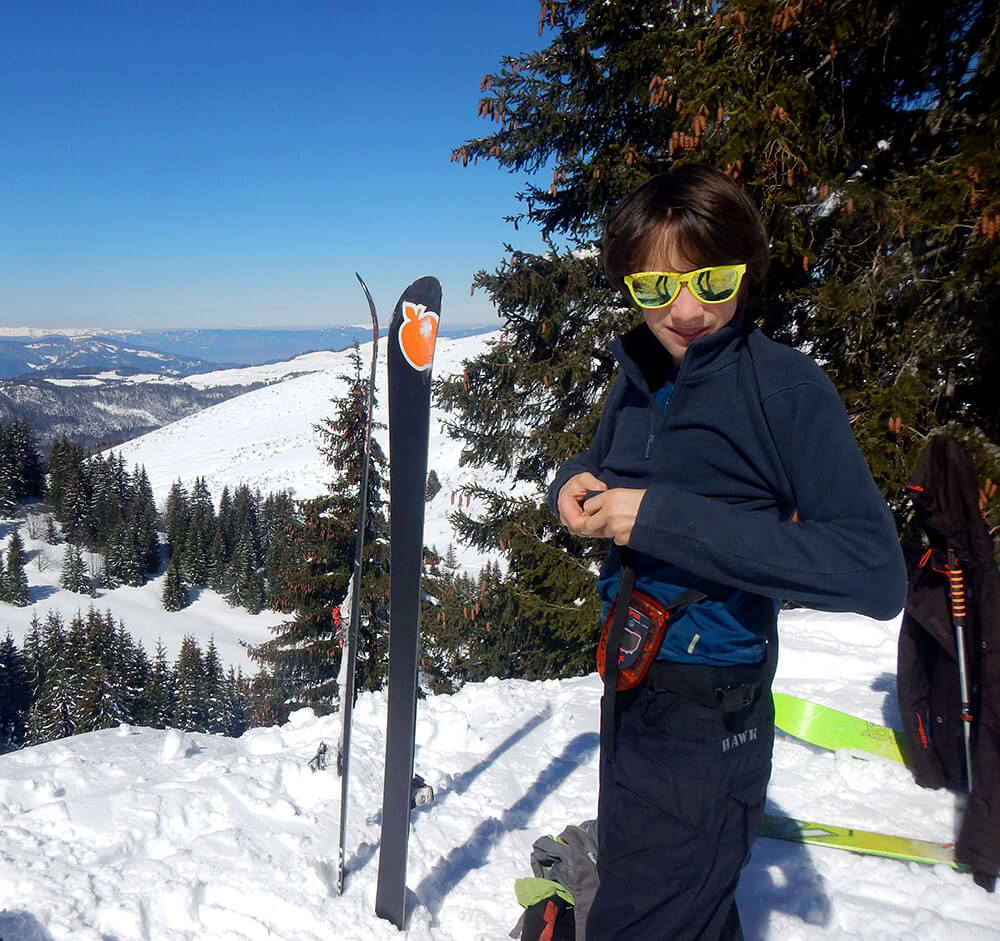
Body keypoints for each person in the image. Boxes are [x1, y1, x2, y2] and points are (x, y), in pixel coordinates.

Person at [548, 163, 906, 940]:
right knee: (679, 910)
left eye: (710, 280)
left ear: (744, 266)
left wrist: (661, 520)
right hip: (632, 692)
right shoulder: (640, 376)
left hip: (712, 721)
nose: (683, 310)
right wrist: (572, 483)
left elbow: (873, 570)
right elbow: (603, 465)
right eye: (654, 288)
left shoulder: (784, 387)